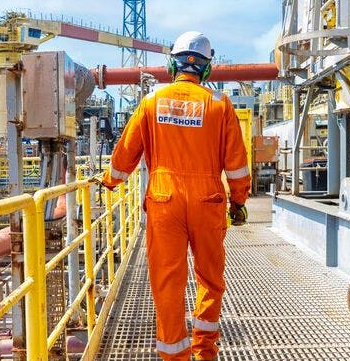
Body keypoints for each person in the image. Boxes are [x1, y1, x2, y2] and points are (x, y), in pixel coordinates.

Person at [102, 31, 251, 361]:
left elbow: (127, 150)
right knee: (210, 279)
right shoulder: (219, 104)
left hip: (163, 199)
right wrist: (239, 200)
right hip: (208, 200)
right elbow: (236, 163)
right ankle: (205, 351)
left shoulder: (152, 101)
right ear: (206, 69)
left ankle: (174, 356)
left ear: (173, 64)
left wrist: (110, 181)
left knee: (168, 284)